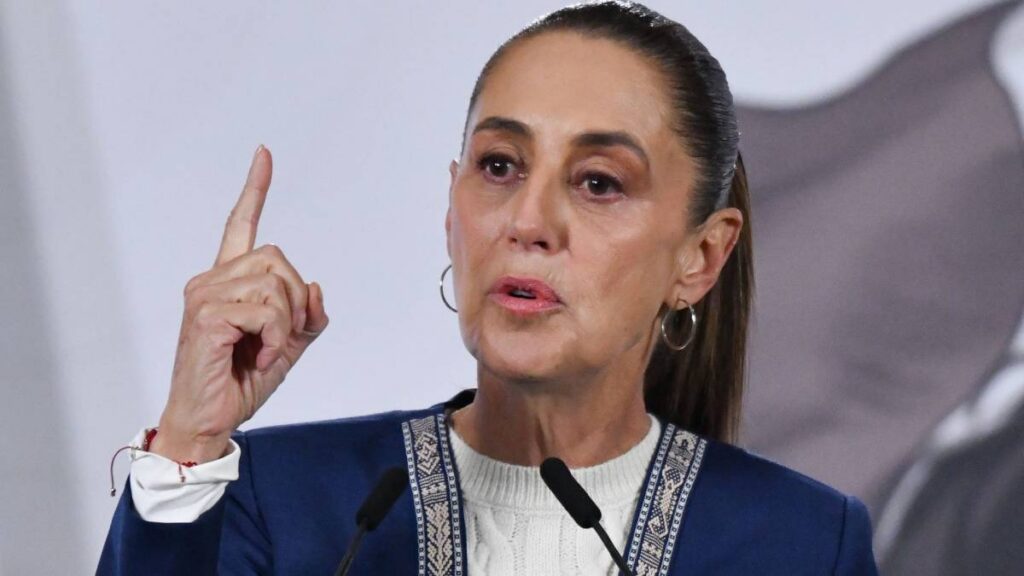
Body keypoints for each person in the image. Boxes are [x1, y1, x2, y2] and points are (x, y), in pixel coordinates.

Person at [98, 2, 879, 574]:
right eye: (499, 166)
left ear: (701, 258)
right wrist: (190, 444)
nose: (527, 221)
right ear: (452, 210)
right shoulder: (279, 502)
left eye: (598, 182)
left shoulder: (803, 544)